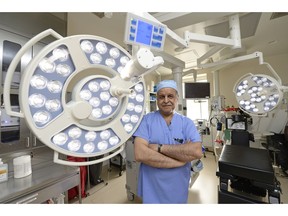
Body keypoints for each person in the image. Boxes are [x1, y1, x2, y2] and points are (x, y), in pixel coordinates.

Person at [133, 80, 203, 204]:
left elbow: (196, 151)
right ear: (157, 99)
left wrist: (159, 147)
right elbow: (140, 154)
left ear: (176, 98)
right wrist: (180, 160)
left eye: (170, 96)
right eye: (161, 97)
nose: (166, 100)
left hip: (178, 186)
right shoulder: (146, 120)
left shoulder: (186, 122)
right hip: (152, 186)